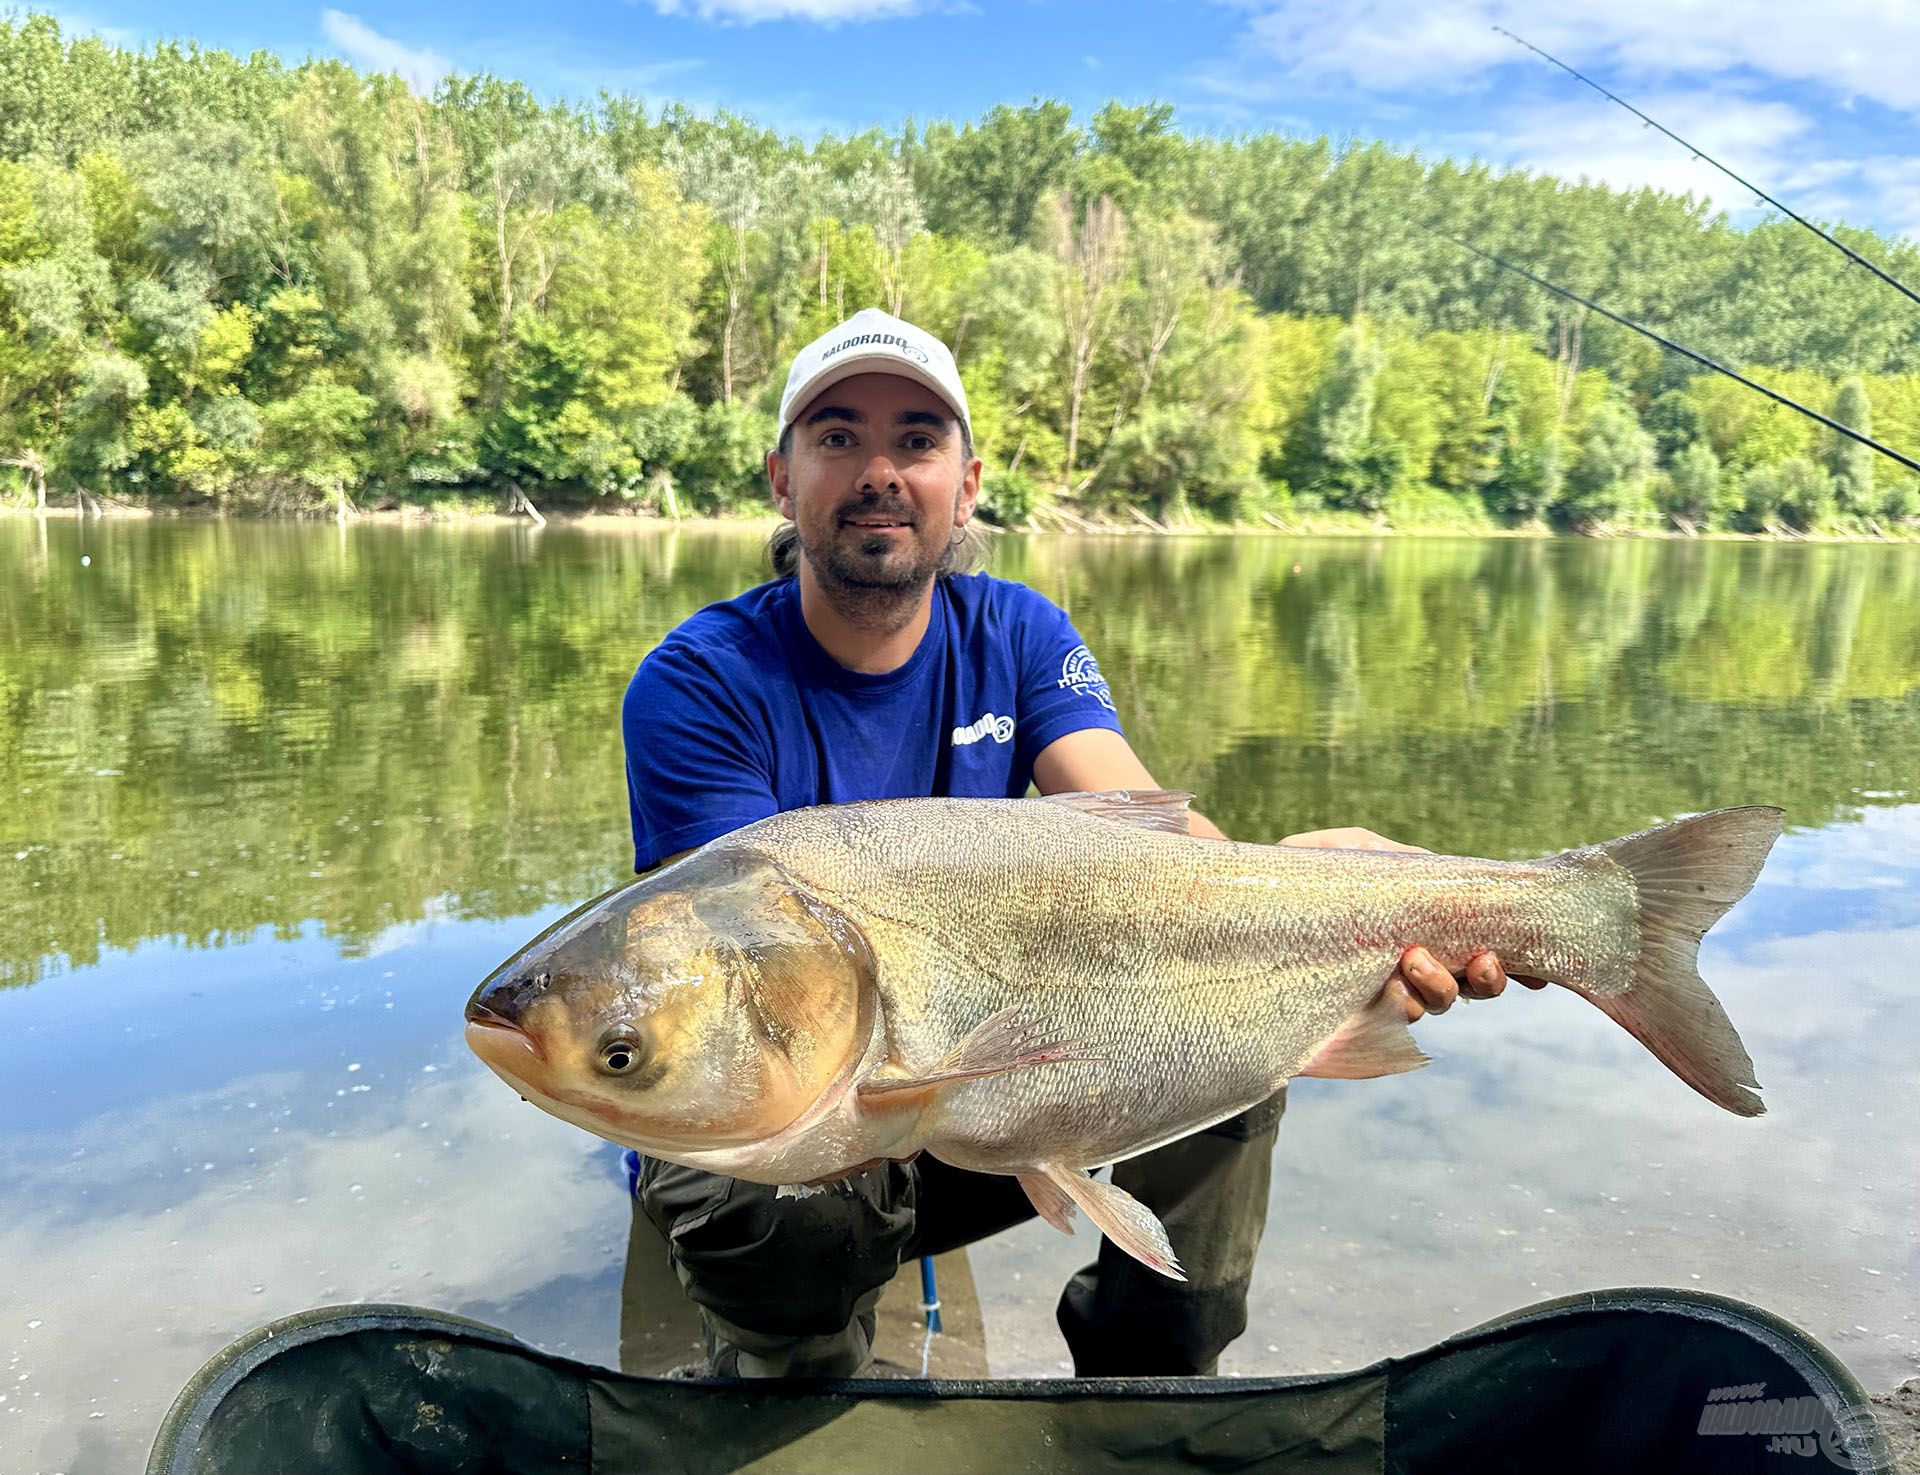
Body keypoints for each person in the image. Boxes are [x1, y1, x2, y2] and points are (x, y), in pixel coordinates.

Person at [620, 308, 1519, 1379]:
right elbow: (741, 983)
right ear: (781, 476)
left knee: (1224, 1051)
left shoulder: (1021, 633)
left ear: (967, 480)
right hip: (794, 1114)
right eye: (836, 437)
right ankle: (791, 1376)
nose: (879, 470)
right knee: (779, 1215)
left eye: (916, 439)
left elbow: (1147, 831)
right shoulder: (697, 682)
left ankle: (1149, 1395)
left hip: (983, 1093)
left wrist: (1325, 903)